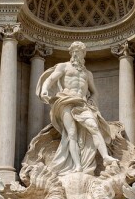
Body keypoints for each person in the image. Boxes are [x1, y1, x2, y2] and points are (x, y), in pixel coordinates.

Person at [37, 41, 116, 175]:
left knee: (94, 127)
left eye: (79, 51)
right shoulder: (64, 67)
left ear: (83, 54)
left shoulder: (87, 74)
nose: (76, 54)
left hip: (82, 103)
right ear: (70, 53)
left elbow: (94, 92)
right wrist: (44, 89)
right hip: (65, 101)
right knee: (71, 134)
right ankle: (77, 166)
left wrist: (92, 103)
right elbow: (51, 79)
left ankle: (106, 157)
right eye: (74, 51)